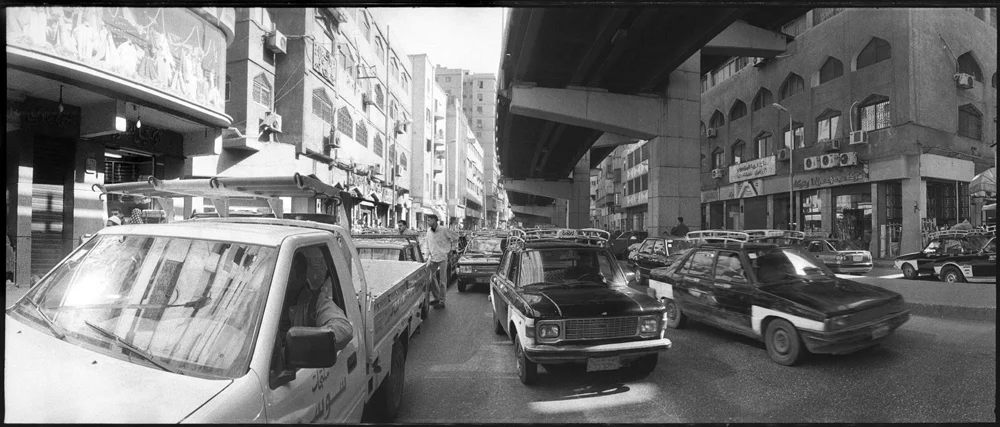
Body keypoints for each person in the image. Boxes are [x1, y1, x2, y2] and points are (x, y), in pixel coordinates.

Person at [279, 253, 354, 352]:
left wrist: (308, 344)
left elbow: (343, 328)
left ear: (301, 277)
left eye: (285, 275)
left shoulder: (315, 302)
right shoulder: (262, 300)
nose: (279, 281)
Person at [422, 210, 457, 309]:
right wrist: (426, 256)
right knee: (430, 277)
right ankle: (437, 297)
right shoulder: (428, 231)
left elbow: (456, 237)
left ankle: (442, 301)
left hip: (442, 258)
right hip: (433, 258)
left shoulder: (444, 229)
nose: (427, 222)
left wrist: (451, 249)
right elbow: (427, 244)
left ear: (434, 220)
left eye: (429, 220)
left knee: (442, 281)